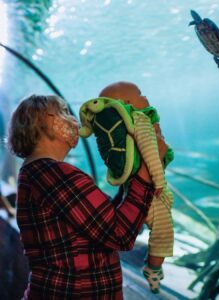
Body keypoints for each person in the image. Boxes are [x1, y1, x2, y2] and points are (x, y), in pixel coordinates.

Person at [7, 94, 155, 300]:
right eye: (64, 112)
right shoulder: (54, 175)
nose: (74, 119)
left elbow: (100, 222)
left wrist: (128, 182)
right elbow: (120, 234)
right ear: (46, 119)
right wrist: (147, 173)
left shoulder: (36, 173)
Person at [99, 81, 174, 294]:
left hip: (135, 187)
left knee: (144, 223)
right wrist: (158, 181)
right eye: (140, 94)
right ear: (127, 103)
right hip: (151, 189)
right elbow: (152, 155)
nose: (146, 97)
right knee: (163, 232)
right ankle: (153, 270)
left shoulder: (122, 130)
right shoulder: (139, 121)